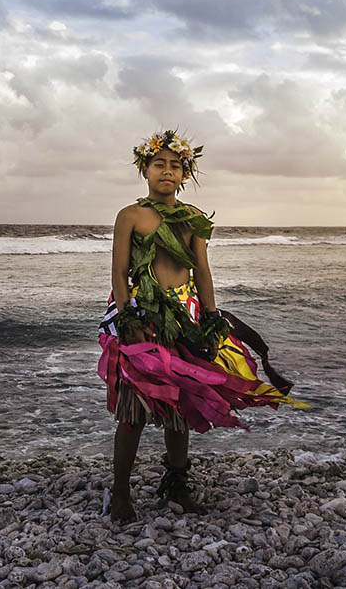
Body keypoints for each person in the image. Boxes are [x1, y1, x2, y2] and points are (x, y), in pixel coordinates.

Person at [97, 130, 307, 523]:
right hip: (142, 316)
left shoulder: (193, 218)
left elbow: (203, 271)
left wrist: (210, 317)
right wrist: (127, 318)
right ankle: (121, 491)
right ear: (145, 169)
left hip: (186, 317)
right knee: (134, 408)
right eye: (159, 164)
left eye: (175, 166)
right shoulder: (130, 215)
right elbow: (119, 273)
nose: (167, 171)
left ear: (184, 174)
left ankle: (176, 484)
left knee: (181, 402)